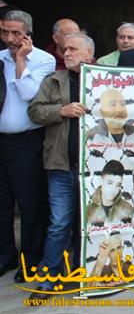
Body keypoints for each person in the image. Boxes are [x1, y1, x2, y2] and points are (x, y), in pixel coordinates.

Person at [26, 32, 91, 300]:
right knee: (59, 223)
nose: (67, 53)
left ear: (89, 54)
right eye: (65, 49)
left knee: (94, 224)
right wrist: (61, 111)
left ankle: (89, 273)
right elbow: (34, 111)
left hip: (96, 168)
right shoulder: (54, 80)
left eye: (74, 49)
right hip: (61, 165)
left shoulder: (106, 80)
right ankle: (48, 278)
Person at [0, 10, 54, 283]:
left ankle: (30, 259)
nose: (10, 38)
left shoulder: (44, 60)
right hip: (1, 141)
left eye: (16, 33)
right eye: (5, 32)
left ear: (28, 34)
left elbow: (29, 93)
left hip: (27, 142)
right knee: (2, 204)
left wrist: (20, 59)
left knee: (30, 203)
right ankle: (5, 254)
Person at [86, 160, 134, 225]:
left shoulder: (127, 209)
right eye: (109, 183)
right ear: (101, 180)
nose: (113, 189)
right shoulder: (88, 210)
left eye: (118, 185)